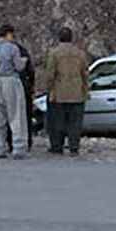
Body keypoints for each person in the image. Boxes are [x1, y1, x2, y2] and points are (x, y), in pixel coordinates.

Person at [44, 27, 90, 156]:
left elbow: (50, 74)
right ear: (71, 38)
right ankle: (74, 147)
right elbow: (85, 74)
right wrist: (85, 90)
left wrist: (49, 89)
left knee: (58, 122)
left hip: (59, 93)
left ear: (59, 38)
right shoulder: (80, 53)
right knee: (75, 123)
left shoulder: (54, 53)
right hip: (77, 93)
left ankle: (57, 147)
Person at [0, 24, 29, 159]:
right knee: (16, 115)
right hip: (11, 80)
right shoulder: (13, 48)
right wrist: (24, 61)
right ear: (9, 34)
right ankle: (18, 147)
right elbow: (18, 66)